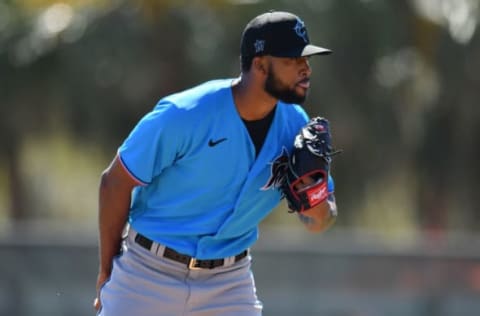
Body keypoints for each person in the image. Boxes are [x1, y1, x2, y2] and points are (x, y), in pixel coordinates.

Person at [94, 10, 338, 316]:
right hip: (147, 273)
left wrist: (315, 203)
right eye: (293, 60)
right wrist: (108, 267)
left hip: (229, 284)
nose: (306, 69)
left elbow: (322, 219)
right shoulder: (185, 113)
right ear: (260, 65)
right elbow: (114, 182)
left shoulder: (295, 128)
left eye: (307, 60)